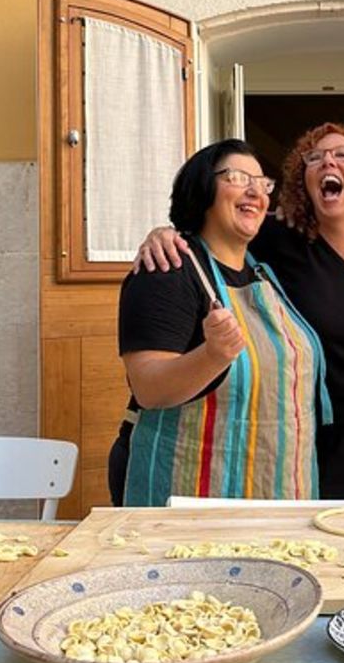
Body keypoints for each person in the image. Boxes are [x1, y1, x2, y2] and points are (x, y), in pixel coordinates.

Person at [136, 124, 344, 504]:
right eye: (314, 158)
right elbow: (214, 230)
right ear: (303, 184)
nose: (327, 162)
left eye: (341, 155)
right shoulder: (277, 240)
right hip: (315, 434)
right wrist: (164, 234)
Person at [107, 139, 331, 507]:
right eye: (238, 177)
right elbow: (148, 387)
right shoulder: (167, 269)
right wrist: (213, 355)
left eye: (262, 183)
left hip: (272, 489)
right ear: (202, 187)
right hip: (186, 493)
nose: (255, 192)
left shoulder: (264, 273)